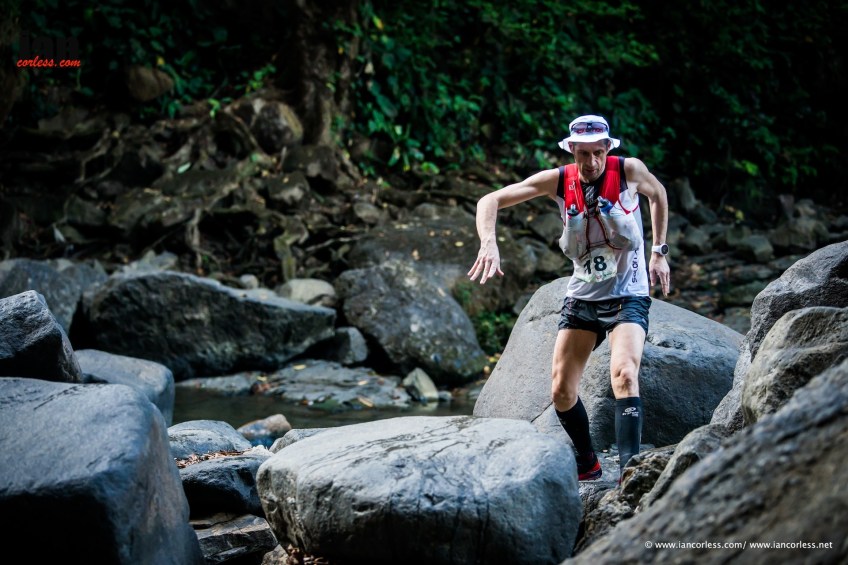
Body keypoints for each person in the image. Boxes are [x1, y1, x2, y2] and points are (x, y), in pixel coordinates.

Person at [467, 114, 670, 482]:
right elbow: (490, 200)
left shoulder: (629, 171)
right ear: (572, 150)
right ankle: (588, 463)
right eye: (583, 154)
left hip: (628, 293)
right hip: (583, 297)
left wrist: (659, 250)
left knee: (625, 374)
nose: (591, 162)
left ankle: (630, 473)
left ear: (607, 148)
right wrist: (488, 243)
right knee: (561, 390)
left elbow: (658, 195)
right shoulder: (559, 180)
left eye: (598, 153)